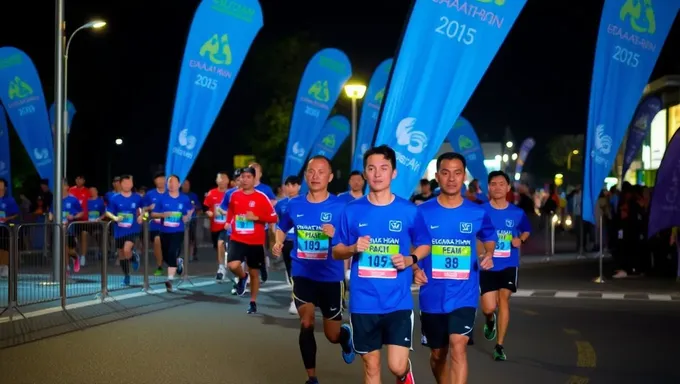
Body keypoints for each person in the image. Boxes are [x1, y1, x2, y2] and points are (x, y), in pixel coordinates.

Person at [332, 145, 431, 384]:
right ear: (365, 173)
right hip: (364, 301)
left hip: (398, 301)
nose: (377, 174)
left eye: (384, 168)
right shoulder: (351, 211)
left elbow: (425, 243)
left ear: (394, 173)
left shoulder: (408, 210)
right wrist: (353, 248)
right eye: (371, 168)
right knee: (371, 366)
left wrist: (410, 260)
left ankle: (404, 375)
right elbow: (336, 251)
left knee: (395, 366)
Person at [415, 153, 497, 383]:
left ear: (464, 176)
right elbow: (412, 245)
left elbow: (489, 235)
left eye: (457, 172)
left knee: (458, 345)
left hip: (464, 294)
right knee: (438, 355)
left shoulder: (477, 212)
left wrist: (488, 253)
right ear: (437, 176)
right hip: (432, 295)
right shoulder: (422, 212)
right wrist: (415, 269)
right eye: (445, 172)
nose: (451, 178)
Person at [273, 156, 355, 384]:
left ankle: (344, 335)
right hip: (303, 273)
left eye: (321, 172)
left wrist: (335, 235)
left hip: (331, 276)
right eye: (311, 172)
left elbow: (350, 240)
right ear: (306, 176)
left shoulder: (341, 206)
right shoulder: (294, 204)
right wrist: (278, 242)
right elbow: (282, 227)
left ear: (329, 177)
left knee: (332, 334)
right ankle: (312, 378)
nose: (316, 176)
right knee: (306, 322)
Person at [480, 171, 531, 361]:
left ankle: (499, 346)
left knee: (504, 300)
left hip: (509, 263)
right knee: (488, 307)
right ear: (489, 188)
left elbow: (526, 230)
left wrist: (521, 240)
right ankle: (489, 320)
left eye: (501, 184)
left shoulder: (517, 213)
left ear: (508, 187)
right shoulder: (481, 211)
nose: (498, 187)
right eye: (493, 184)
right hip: (488, 264)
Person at [226, 166, 278, 314]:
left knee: (255, 273)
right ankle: (243, 277)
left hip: (255, 241)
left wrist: (257, 218)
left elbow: (274, 217)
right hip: (237, 237)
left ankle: (253, 302)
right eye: (243, 177)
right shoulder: (234, 196)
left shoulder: (261, 197)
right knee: (233, 265)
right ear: (240, 179)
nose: (245, 179)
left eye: (249, 177)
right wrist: (228, 221)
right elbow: (231, 210)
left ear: (254, 179)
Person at [151, 175, 193, 292]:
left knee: (171, 252)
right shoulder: (162, 199)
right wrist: (163, 215)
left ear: (179, 184)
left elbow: (189, 210)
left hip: (178, 231)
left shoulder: (184, 198)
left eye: (174, 182)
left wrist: (187, 217)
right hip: (164, 231)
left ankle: (170, 279)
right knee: (166, 256)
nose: (172, 184)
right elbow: (153, 214)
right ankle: (178, 262)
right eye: (170, 182)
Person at [106, 175, 143, 286]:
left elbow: (144, 211)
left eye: (129, 183)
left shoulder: (137, 198)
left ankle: (133, 257)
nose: (127, 185)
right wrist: (115, 218)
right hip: (119, 229)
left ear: (132, 184)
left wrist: (142, 217)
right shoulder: (114, 198)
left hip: (133, 229)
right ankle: (127, 276)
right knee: (121, 254)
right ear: (120, 184)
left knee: (127, 250)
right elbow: (108, 212)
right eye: (125, 183)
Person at [274, 175, 302, 314]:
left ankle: (295, 300)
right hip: (286, 242)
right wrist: (277, 242)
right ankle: (298, 295)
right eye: (288, 185)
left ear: (299, 186)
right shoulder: (281, 204)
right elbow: (279, 224)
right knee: (290, 271)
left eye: (293, 185)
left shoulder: (304, 202)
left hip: (300, 242)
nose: (290, 188)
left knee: (297, 270)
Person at [49, 180, 84, 275]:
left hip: (70, 228)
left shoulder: (73, 199)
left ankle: (75, 257)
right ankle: (66, 268)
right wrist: (51, 217)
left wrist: (74, 216)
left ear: (66, 187)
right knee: (62, 247)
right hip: (58, 228)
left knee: (69, 249)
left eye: (61, 186)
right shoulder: (55, 199)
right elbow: (51, 211)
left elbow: (81, 212)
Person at [204, 172, 230, 282]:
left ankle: (221, 269)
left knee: (221, 244)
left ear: (228, 181)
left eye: (224, 178)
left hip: (227, 227)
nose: (222, 181)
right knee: (218, 246)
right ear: (216, 181)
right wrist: (208, 212)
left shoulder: (231, 193)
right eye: (220, 178)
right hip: (215, 227)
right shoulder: (212, 193)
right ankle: (223, 265)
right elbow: (205, 207)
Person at [142, 172, 167, 277]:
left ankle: (175, 262)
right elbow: (142, 208)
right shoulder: (150, 194)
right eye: (158, 179)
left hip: (170, 225)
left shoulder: (171, 192)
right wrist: (148, 208)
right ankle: (160, 266)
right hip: (155, 225)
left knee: (169, 247)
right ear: (155, 181)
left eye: (163, 179)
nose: (160, 181)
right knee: (157, 241)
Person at [69, 175, 89, 267]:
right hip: (72, 220)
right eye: (77, 178)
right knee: (73, 239)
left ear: (84, 180)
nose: (78, 180)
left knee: (84, 235)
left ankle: (83, 256)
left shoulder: (87, 191)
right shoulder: (71, 190)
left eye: (81, 178)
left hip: (84, 219)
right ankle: (74, 256)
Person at [0, 178, 19, 278]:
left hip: (6, 227)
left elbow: (16, 214)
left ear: (5, 188)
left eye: (2, 186)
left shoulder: (10, 200)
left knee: (5, 247)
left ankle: (5, 267)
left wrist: (7, 218)